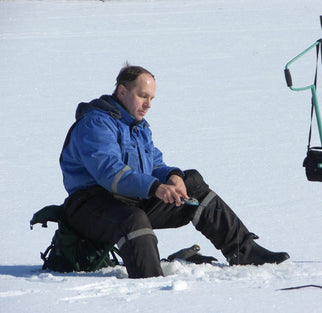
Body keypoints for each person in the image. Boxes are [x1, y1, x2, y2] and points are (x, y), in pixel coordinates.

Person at [60, 65, 289, 279]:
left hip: (128, 199)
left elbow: (155, 165)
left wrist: (173, 177)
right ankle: (150, 283)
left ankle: (244, 251)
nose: (148, 104)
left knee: (193, 185)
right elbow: (111, 174)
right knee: (134, 219)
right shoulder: (96, 124)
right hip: (89, 206)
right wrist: (155, 188)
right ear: (122, 91)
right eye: (142, 96)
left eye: (151, 98)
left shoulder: (138, 126)